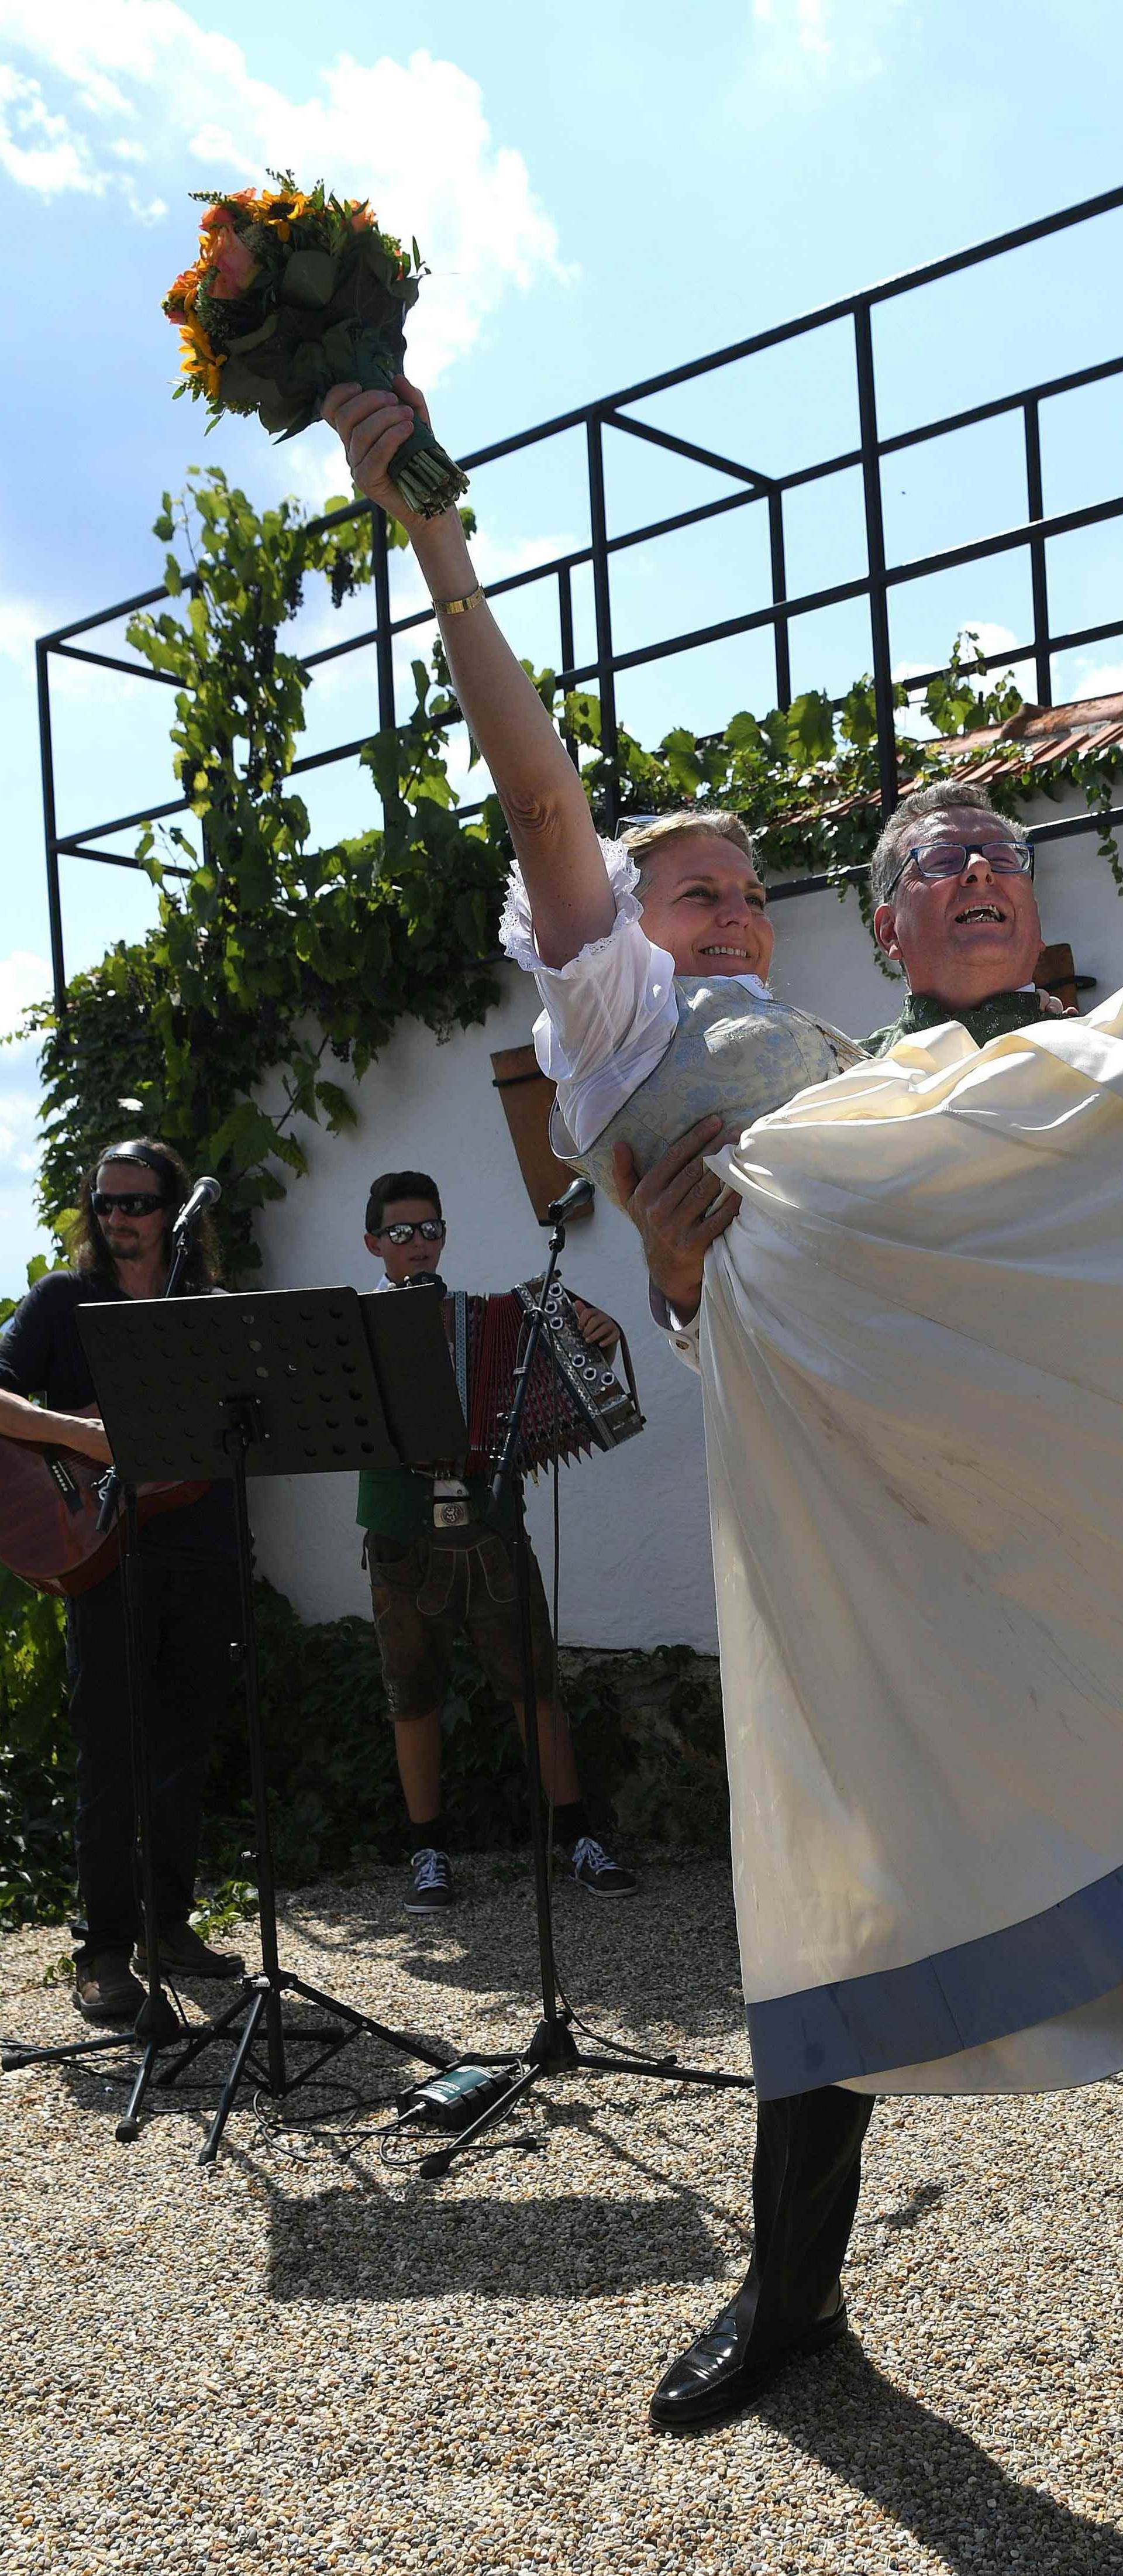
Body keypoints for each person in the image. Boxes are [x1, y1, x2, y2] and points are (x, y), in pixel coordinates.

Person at [615, 786, 1123, 2433]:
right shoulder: (818, 1115)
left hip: (1094, 1570)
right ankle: (792, 2292)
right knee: (831, 1879)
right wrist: (684, 1279)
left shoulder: (1107, 1080)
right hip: (905, 1573)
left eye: (999, 856)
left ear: (1032, 907)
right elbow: (756, 1360)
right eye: (932, 866)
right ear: (886, 928)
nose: (975, 874)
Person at [0, 1140, 243, 2021]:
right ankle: (102, 1952)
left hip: (201, 1547)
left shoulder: (206, 1309)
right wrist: (82, 1433)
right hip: (100, 1550)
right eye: (107, 1204)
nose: (121, 1220)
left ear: (174, 1209)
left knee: (185, 1743)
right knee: (110, 1752)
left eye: (138, 1204)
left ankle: (166, 1922)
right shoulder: (64, 1301)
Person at [359, 1168, 637, 1912]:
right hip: (399, 1528)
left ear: (443, 1235)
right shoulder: (351, 1325)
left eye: (429, 1228)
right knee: (411, 1694)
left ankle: (576, 1833)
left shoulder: (486, 1317)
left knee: (534, 1682)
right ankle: (427, 1850)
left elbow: (562, 1376)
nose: (417, 1243)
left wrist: (596, 1337)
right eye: (400, 1232)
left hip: (491, 1522)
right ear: (373, 1243)